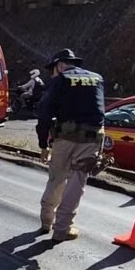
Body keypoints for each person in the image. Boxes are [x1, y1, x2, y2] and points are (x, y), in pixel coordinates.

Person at [36, 48, 105, 242]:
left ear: (59, 65)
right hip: (91, 140)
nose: (52, 74)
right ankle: (62, 230)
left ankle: (46, 221)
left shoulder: (61, 80)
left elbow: (44, 114)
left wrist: (44, 145)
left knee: (57, 178)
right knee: (76, 183)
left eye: (52, 70)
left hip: (64, 138)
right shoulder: (97, 78)